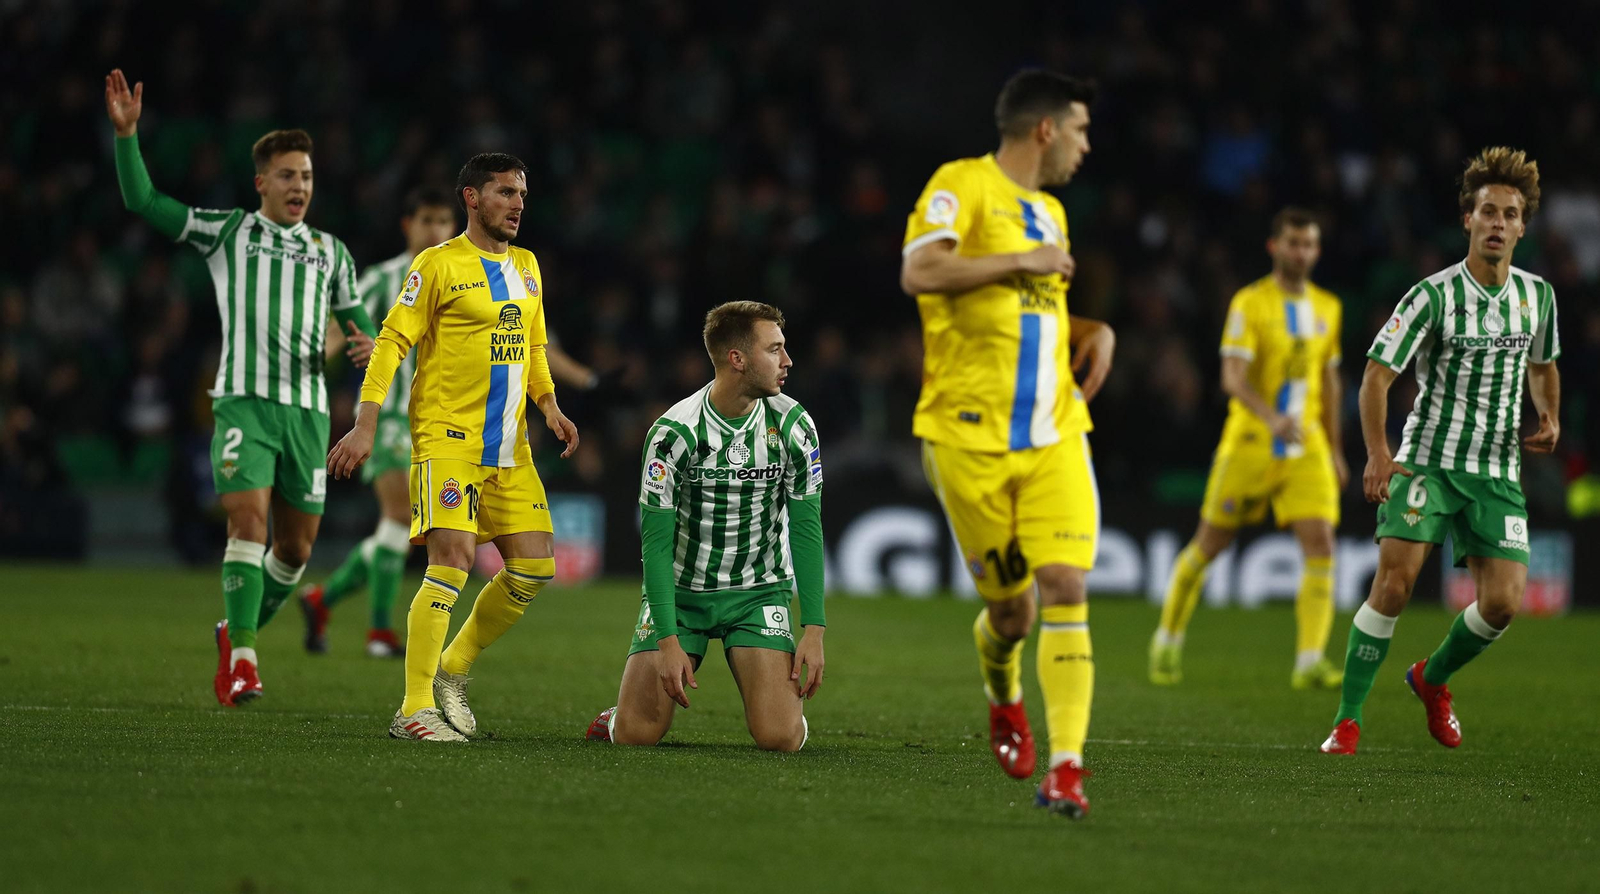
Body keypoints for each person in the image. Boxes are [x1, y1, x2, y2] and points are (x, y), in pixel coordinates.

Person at [104, 69, 378, 707]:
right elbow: (145, 202)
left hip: (307, 414)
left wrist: (367, 345)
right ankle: (245, 662)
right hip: (243, 406)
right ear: (262, 182)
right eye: (287, 175)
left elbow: (361, 326)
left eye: (306, 177)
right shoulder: (229, 233)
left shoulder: (332, 253)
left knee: (295, 551)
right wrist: (127, 137)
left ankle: (237, 631)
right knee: (247, 523)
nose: (299, 186)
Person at [899, 70, 1114, 817]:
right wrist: (1020, 259)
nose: (1087, 146)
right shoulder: (961, 184)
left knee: (1066, 586)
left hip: (1055, 433)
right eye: (1082, 131)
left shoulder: (1052, 213)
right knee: (1013, 615)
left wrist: (1094, 330)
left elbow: (1034, 315)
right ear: (1046, 129)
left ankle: (1066, 770)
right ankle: (1003, 690)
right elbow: (920, 270)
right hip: (967, 439)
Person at [327, 153, 580, 742]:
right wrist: (365, 424)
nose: (518, 203)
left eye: (522, 192)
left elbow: (534, 347)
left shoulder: (528, 266)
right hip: (448, 439)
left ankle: (453, 668)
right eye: (503, 192)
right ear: (471, 197)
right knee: (453, 561)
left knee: (535, 565)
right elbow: (391, 342)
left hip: (510, 447)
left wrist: (550, 406)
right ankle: (413, 708)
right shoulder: (437, 265)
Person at [1319, 147, 1560, 755]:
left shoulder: (1538, 298)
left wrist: (1550, 413)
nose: (1499, 223)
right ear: (1468, 220)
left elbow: (1543, 365)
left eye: (1510, 214)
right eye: (1488, 212)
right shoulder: (1430, 295)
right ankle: (1347, 719)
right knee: (1394, 585)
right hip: (1427, 459)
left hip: (1497, 470)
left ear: (1523, 226)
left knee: (1503, 603)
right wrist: (1378, 452)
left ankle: (1432, 679)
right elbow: (1377, 375)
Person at [584, 301, 825, 751]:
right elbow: (654, 546)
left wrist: (814, 628)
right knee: (636, 736)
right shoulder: (673, 433)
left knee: (781, 737)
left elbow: (806, 529)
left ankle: (786, 713)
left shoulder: (795, 425)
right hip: (682, 596)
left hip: (757, 593)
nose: (788, 361)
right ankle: (619, 715)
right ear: (737, 359)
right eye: (775, 350)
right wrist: (668, 641)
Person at [1149, 209, 1347, 689]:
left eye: (1308, 244)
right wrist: (1272, 417)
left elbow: (1329, 381)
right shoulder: (1249, 303)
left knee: (1320, 543)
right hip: (1253, 441)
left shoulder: (1328, 308)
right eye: (1292, 243)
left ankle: (1309, 660)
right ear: (1273, 247)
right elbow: (1231, 378)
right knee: (1210, 544)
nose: (1300, 252)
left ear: (1317, 251)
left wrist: (1337, 448)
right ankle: (1167, 639)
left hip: (1308, 446)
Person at [298, 187, 458, 658]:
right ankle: (381, 631)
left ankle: (321, 599)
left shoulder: (460, 277)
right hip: (385, 414)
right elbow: (337, 328)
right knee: (401, 516)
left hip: (436, 418)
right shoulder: (383, 278)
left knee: (409, 529)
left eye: (444, 221)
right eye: (427, 219)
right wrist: (309, 364)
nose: (436, 230)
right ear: (408, 225)